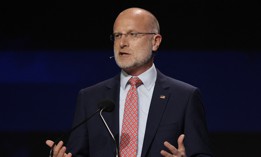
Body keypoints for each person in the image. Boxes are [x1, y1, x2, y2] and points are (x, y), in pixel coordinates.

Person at [46, 7, 213, 157]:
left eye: (133, 34)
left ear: (155, 41)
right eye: (118, 35)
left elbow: (201, 153)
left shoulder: (184, 97)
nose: (122, 43)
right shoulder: (90, 98)